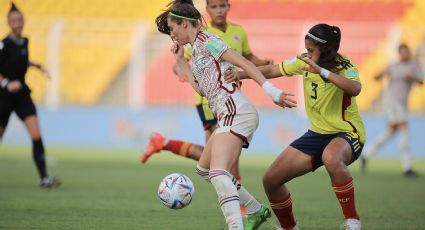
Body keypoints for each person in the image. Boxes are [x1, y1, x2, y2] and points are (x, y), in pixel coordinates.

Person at [155, 0, 296, 229]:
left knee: (219, 173)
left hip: (235, 110)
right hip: (227, 114)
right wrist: (181, 61)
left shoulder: (209, 41)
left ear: (183, 24)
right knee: (204, 170)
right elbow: (202, 89)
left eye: (172, 29)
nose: (172, 36)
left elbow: (244, 63)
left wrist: (272, 91)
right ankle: (255, 210)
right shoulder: (197, 49)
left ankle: (235, 225)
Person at [228, 23, 365, 230]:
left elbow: (355, 88)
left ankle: (352, 220)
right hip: (317, 134)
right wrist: (241, 74)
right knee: (271, 180)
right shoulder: (304, 61)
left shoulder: (345, 66)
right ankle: (290, 227)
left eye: (311, 50)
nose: (307, 54)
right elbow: (273, 69)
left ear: (326, 50)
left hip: (347, 133)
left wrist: (322, 72)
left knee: (331, 157)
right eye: (306, 49)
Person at [142, 0, 272, 182]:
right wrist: (183, 71)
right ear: (206, 10)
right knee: (224, 152)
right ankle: (239, 199)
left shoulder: (238, 31)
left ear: (229, 6)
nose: (219, 10)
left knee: (215, 154)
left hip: (228, 97)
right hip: (208, 101)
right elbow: (180, 63)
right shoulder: (198, 34)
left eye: (222, 6)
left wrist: (263, 63)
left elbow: (247, 57)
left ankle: (164, 143)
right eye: (214, 7)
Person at [0, 2, 60, 189]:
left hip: (22, 95)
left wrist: (37, 66)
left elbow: (21, 61)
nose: (18, 23)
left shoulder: (25, 41)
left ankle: (44, 178)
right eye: (14, 20)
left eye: (20, 19)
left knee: (36, 134)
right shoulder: (4, 44)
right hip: (4, 96)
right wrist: (6, 83)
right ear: (8, 23)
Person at [361, 43, 423, 177]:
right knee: (404, 128)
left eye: (406, 51)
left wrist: (412, 77)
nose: (404, 54)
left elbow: (421, 81)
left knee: (391, 132)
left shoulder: (414, 65)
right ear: (399, 53)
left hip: (402, 103)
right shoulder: (394, 66)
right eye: (402, 52)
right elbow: (376, 77)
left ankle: (366, 154)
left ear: (409, 52)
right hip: (391, 102)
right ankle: (406, 167)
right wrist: (380, 74)